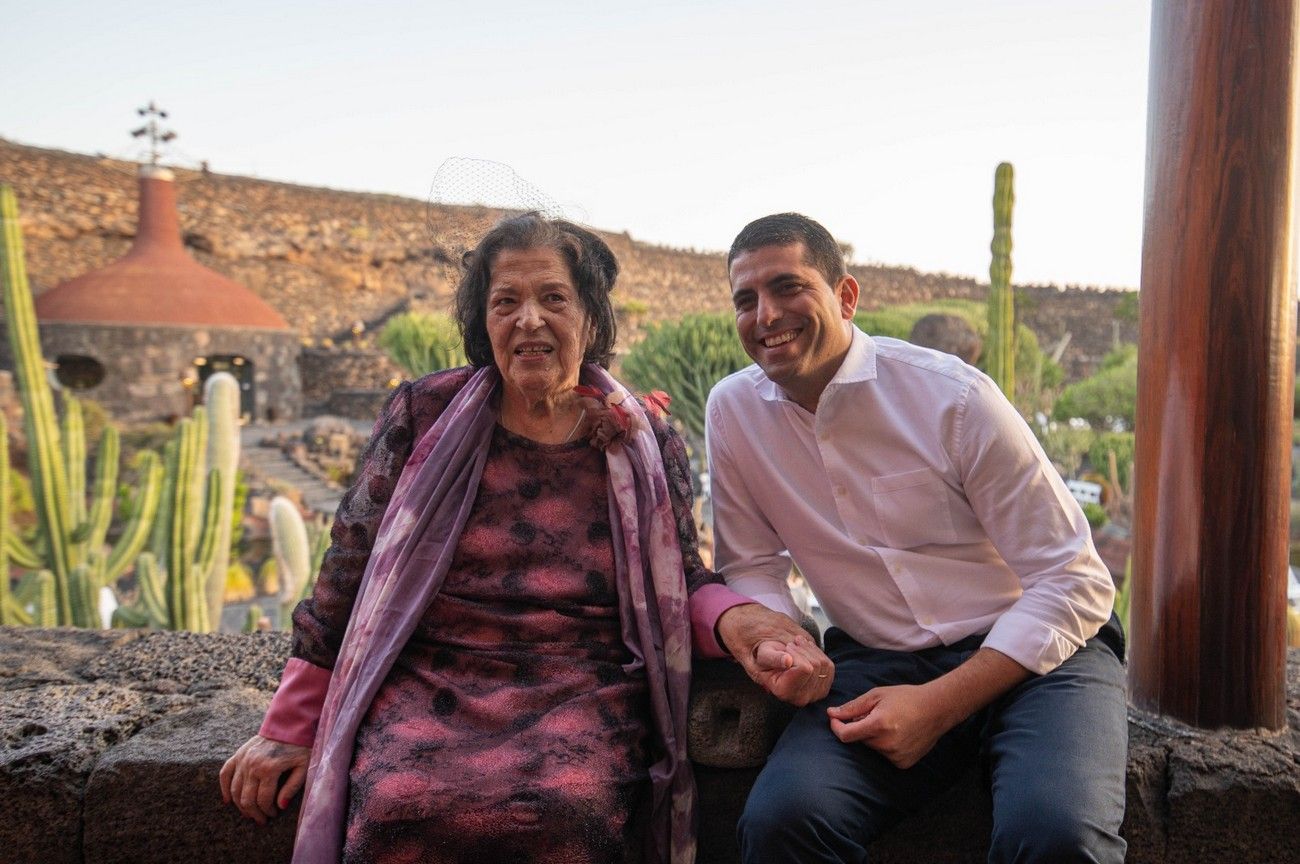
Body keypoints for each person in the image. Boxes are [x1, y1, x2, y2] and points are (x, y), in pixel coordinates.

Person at [220, 213, 831, 864]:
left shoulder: (639, 438)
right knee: (399, 802)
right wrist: (289, 727)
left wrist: (745, 624)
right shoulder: (422, 415)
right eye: (505, 301)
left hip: (582, 686)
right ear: (482, 322)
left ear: (590, 317)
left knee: (563, 811)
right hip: (432, 679)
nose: (529, 320)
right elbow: (347, 574)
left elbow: (680, 581)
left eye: (553, 298)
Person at [705, 212, 1127, 863]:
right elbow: (753, 564)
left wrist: (938, 705)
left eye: (788, 288)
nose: (766, 315)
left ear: (846, 296)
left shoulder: (952, 398)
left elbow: (1073, 579)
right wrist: (784, 642)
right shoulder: (733, 412)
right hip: (877, 657)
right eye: (745, 299)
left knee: (1055, 838)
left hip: (1040, 658)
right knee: (784, 821)